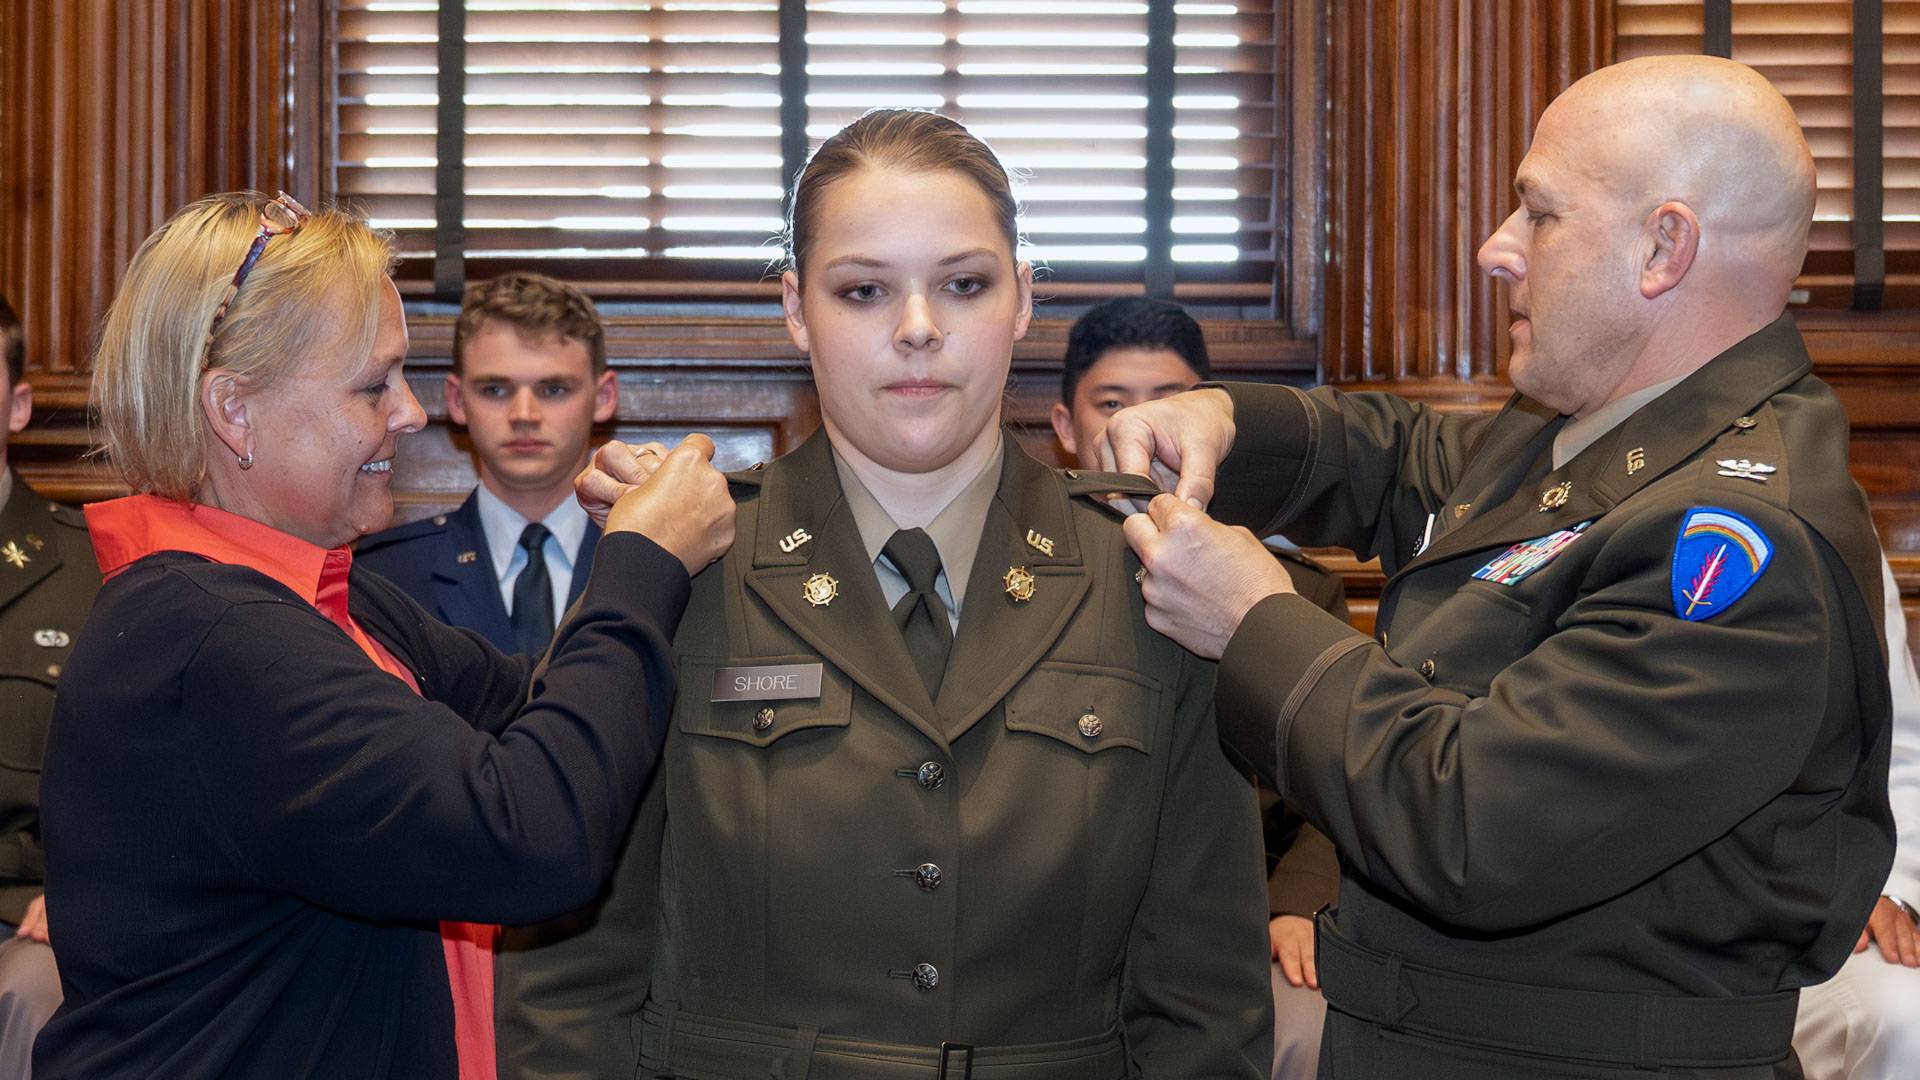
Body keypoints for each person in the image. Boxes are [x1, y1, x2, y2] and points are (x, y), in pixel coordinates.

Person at [1109, 55, 1894, 1077]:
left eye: (1539, 214)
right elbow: (1406, 464)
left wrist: (1256, 622)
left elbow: (1473, 825)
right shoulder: (1596, 427)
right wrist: (1224, 420)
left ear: (1663, 247)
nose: (1496, 249)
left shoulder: (1742, 546)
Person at [495, 109, 1271, 1079]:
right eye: (864, 290)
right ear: (794, 307)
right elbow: (571, 981)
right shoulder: (681, 563)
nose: (917, 329)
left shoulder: (1148, 573)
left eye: (964, 284)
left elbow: (1205, 1000)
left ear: (1024, 299)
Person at [32, 192, 735, 1079]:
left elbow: (533, 706)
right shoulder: (209, 636)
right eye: (373, 385)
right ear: (233, 411)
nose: (408, 414)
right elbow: (526, 834)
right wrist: (642, 564)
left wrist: (628, 546)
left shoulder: (323, 593)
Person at [1054, 294, 1342, 1080]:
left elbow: (1339, 763)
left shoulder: (1286, 589)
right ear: (1064, 424)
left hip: (1235, 915)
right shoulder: (1011, 579)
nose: (1139, 431)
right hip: (1053, 920)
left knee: (1310, 1028)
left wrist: (1302, 900)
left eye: (1169, 407)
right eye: (1111, 405)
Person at [357, 271, 617, 657]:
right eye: (495, 389)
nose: (524, 414)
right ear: (458, 401)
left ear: (603, 397)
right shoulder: (383, 575)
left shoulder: (648, 562)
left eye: (553, 389)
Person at [0, 296, 99, 1078]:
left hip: (31, 912)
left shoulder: (92, 572)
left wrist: (80, 890)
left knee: (33, 997)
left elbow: (146, 771)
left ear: (19, 406)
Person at [1791, 553, 1919, 1078]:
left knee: (1904, 1020)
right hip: (1669, 898)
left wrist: (1882, 884)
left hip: (1836, 890)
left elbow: (1899, 750)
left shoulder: (1840, 524)